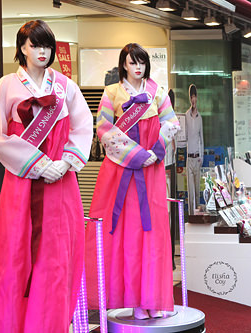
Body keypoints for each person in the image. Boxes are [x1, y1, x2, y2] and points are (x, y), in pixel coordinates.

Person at [0, 20, 93, 332]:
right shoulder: (5, 86)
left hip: (61, 182)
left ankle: (52, 321)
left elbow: (84, 128)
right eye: (34, 45)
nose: (42, 51)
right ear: (22, 48)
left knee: (57, 255)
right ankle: (13, 322)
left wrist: (66, 162)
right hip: (21, 181)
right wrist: (38, 164)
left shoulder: (66, 87)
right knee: (15, 251)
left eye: (46, 45)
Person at [85, 43, 180, 319]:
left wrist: (156, 151)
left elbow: (171, 122)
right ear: (123, 65)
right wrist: (137, 155)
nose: (138, 68)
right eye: (132, 62)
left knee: (153, 232)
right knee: (127, 233)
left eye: (141, 63)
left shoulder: (157, 92)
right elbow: (103, 129)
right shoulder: (111, 92)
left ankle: (154, 299)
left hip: (151, 168)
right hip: (121, 171)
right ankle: (134, 300)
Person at [185, 84, 204, 214]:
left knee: (197, 191)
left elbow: (201, 139)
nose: (193, 100)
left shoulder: (200, 118)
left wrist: (201, 157)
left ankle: (197, 217)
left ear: (197, 98)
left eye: (195, 97)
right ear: (190, 99)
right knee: (190, 191)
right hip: (189, 158)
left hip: (197, 158)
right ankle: (192, 217)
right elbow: (184, 136)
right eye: (191, 97)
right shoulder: (185, 116)